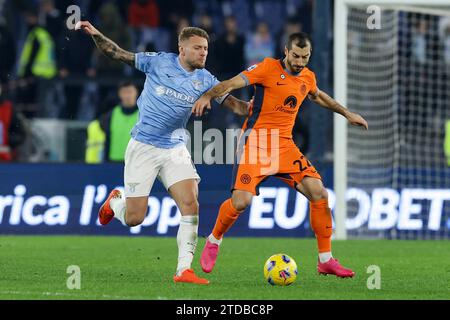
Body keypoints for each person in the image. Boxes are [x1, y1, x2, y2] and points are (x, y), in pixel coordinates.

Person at [76, 21, 249, 284]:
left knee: (191, 204)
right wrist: (97, 35)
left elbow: (236, 106)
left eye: (206, 48)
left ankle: (183, 270)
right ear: (182, 49)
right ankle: (115, 202)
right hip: (143, 146)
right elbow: (117, 53)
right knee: (134, 218)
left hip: (174, 148)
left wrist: (255, 106)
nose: (203, 53)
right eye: (198, 48)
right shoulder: (158, 62)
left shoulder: (206, 80)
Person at [192, 32, 369, 278]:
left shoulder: (307, 76)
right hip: (254, 143)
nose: (299, 62)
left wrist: (347, 113)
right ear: (286, 51)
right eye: (295, 56)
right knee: (241, 202)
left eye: (304, 57)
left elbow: (318, 96)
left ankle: (325, 259)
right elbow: (232, 83)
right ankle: (214, 239)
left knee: (319, 192)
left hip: (284, 146)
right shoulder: (266, 68)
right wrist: (207, 95)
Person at [85, 81, 139, 163]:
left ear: (136, 93)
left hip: (136, 162)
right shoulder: (110, 116)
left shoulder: (144, 116)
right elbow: (105, 140)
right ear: (119, 94)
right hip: (113, 163)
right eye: (124, 92)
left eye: (130, 92)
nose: (127, 95)